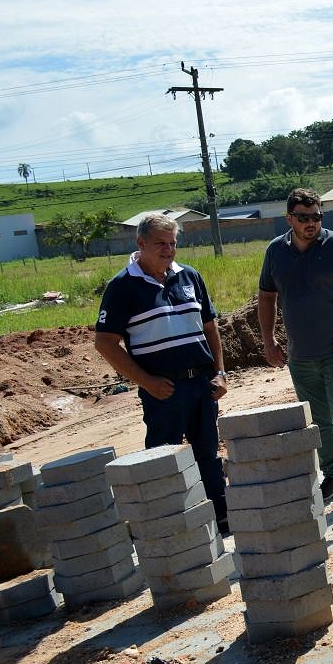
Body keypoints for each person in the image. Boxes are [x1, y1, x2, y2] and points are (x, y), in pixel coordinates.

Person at [94, 214, 230, 534]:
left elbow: (211, 329)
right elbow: (105, 343)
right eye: (161, 244)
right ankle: (168, 524)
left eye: (173, 243)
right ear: (140, 244)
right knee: (162, 458)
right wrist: (146, 382)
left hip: (203, 383)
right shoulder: (122, 287)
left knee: (208, 454)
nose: (168, 250)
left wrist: (221, 372)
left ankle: (220, 517)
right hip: (164, 390)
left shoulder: (190, 277)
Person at [258, 188, 333, 507]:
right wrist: (269, 340)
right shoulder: (275, 252)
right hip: (301, 355)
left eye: (317, 216)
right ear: (289, 219)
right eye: (304, 218)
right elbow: (266, 297)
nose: (311, 223)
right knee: (319, 421)